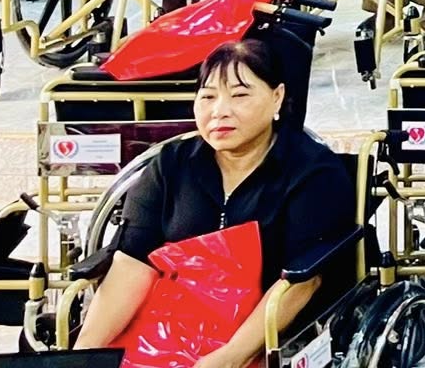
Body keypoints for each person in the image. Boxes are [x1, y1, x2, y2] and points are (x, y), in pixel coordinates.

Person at [75, 37, 354, 362]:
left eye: (240, 95)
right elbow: (133, 264)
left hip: (270, 334)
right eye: (208, 97)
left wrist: (229, 357)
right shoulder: (171, 165)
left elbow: (302, 283)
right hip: (169, 332)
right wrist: (83, 355)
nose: (220, 111)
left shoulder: (313, 172)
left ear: (277, 97)